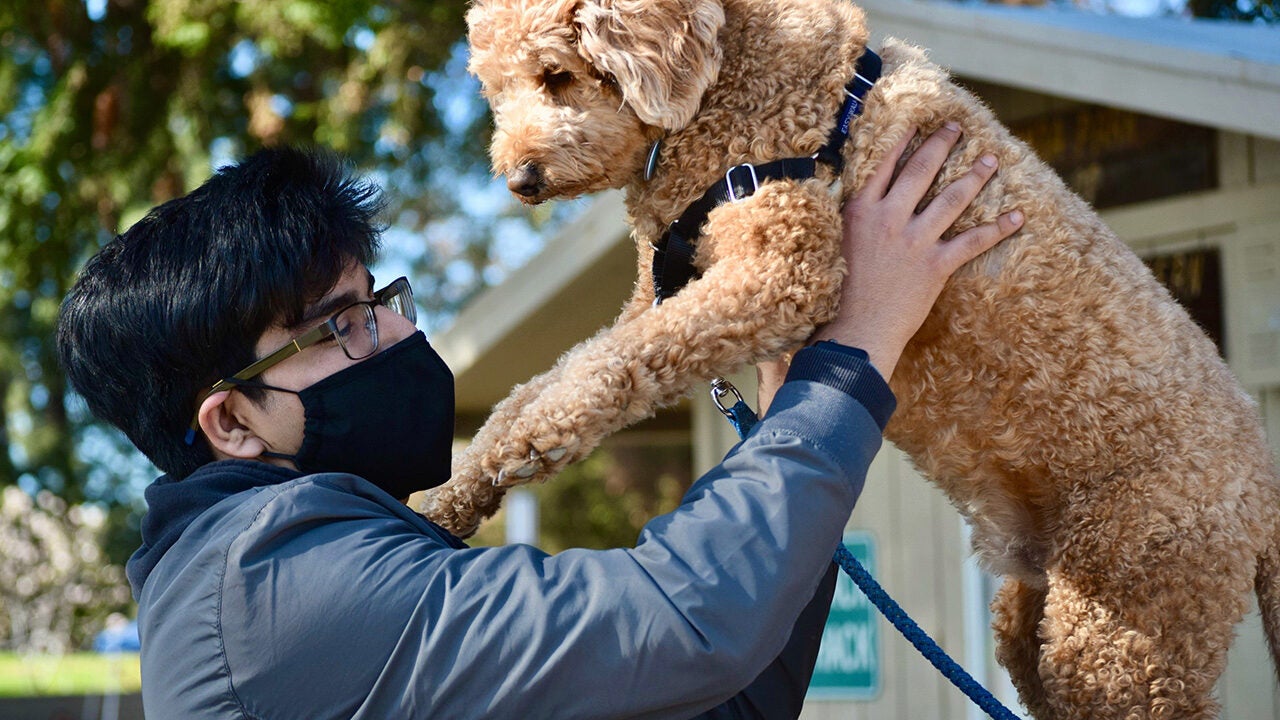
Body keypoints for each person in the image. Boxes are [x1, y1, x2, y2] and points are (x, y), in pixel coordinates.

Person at [57, 123, 1022, 719]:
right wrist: (853, 355)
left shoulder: (280, 566)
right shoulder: (276, 588)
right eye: (340, 325)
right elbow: (687, 623)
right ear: (229, 424)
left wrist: (788, 412)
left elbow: (716, 698)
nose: (397, 330)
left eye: (379, 298)